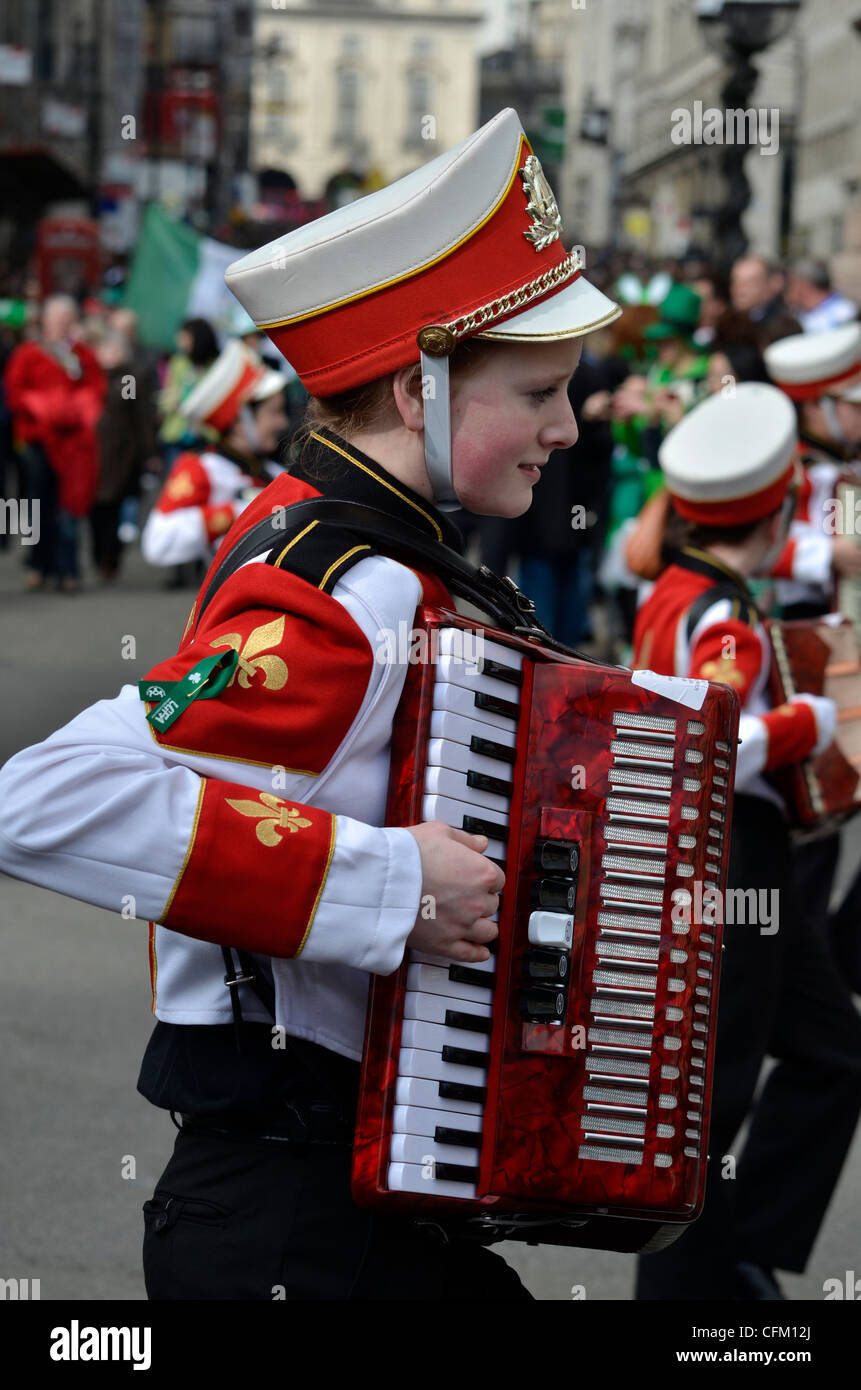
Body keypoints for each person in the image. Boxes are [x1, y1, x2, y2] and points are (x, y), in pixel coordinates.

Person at [0, 108, 621, 1300]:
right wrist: (394, 884)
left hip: (347, 1204)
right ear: (416, 385)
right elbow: (46, 800)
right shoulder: (354, 589)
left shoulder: (384, 553)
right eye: (539, 389)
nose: (567, 424)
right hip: (287, 1217)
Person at [631, 383, 861, 1301]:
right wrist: (811, 720)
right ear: (776, 507)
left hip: (727, 858)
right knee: (713, 1093)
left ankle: (743, 1257)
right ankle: (692, 1293)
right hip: (731, 860)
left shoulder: (675, 588)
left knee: (832, 1052)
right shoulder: (725, 617)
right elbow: (713, 737)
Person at [141, 339, 289, 569]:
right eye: (274, 413)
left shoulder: (274, 471)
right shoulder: (202, 467)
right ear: (241, 423)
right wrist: (236, 512)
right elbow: (157, 544)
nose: (283, 422)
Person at [3, 294, 106, 592]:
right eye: (56, 318)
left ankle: (68, 569)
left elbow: (95, 390)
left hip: (73, 444)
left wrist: (74, 410)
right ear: (45, 320)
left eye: (66, 318)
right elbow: (15, 391)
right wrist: (45, 407)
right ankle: (38, 563)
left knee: (69, 505)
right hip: (37, 441)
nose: (62, 324)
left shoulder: (82, 354)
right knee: (37, 503)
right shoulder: (29, 353)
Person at [785, 258, 858, 335]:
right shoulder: (797, 314)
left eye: (790, 284)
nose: (786, 291)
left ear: (803, 285)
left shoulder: (844, 312)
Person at [729, 254, 788, 332]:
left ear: (768, 284)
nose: (739, 289)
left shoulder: (782, 325)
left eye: (749, 282)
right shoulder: (724, 322)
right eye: (735, 281)